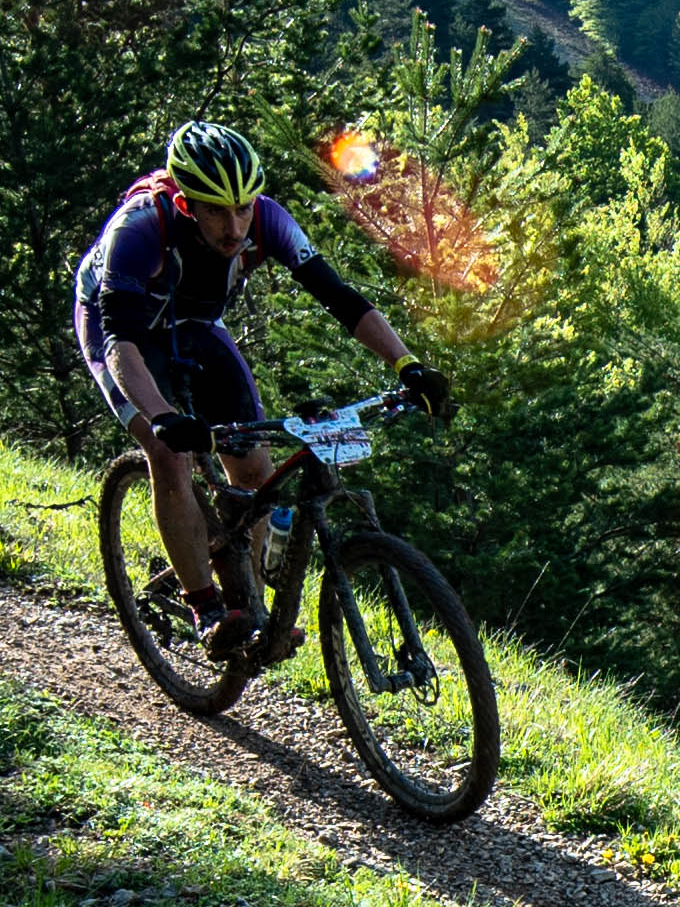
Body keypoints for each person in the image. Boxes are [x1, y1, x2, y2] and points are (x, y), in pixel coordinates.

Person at [70, 122, 451, 652]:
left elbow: (341, 299)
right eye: (216, 212)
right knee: (166, 451)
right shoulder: (137, 233)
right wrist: (162, 415)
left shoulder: (268, 220)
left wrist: (408, 365)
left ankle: (245, 601)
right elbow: (121, 348)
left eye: (243, 208)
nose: (234, 228)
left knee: (255, 468)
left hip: (197, 327)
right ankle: (204, 606)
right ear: (185, 205)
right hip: (121, 331)